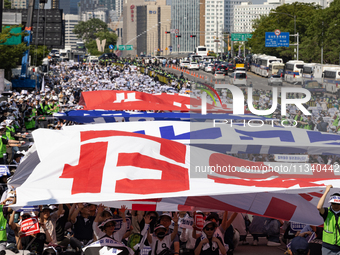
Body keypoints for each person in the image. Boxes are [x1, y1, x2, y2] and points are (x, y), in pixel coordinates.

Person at [317, 184, 340, 254]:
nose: (336, 205)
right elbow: (319, 207)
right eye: (334, 203)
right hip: (327, 247)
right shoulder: (327, 212)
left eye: (338, 203)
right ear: (331, 203)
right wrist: (326, 191)